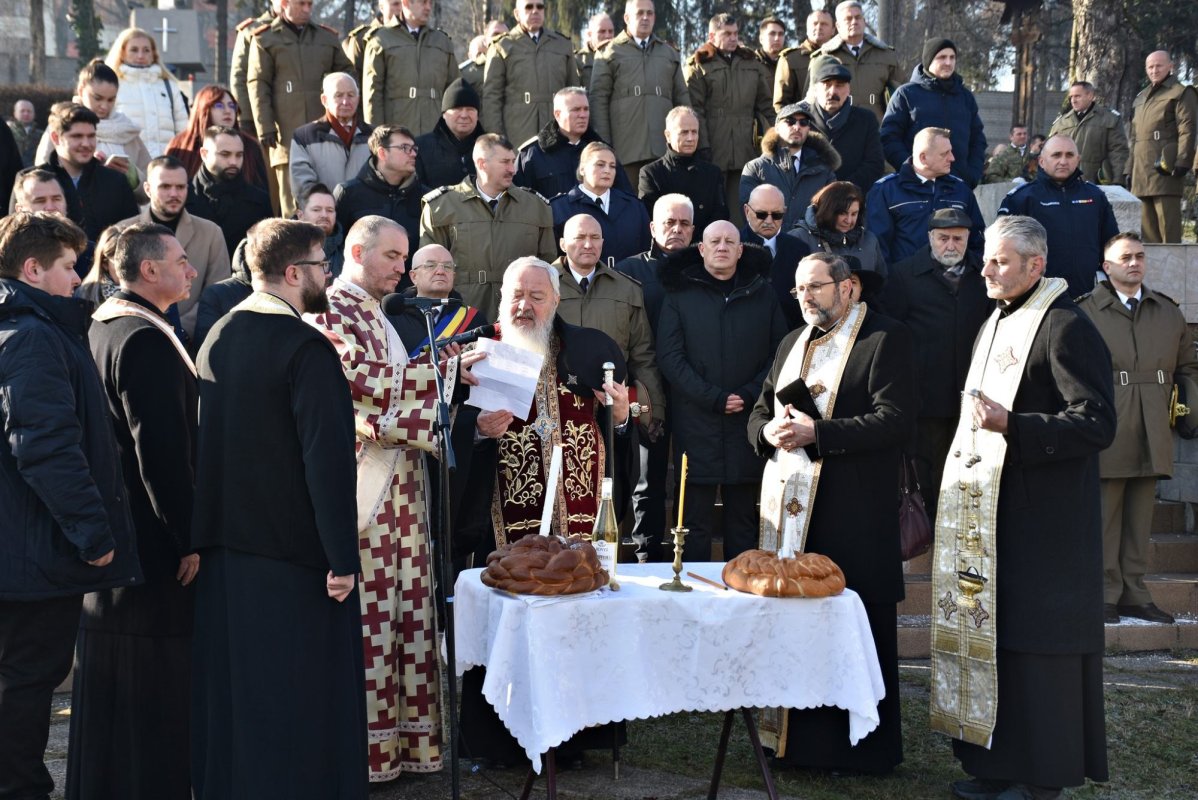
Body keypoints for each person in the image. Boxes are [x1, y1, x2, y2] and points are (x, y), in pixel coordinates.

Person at [932, 215, 1114, 800]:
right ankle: (999, 766)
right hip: (996, 516)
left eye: (1001, 261)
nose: (986, 270)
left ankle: (1042, 778)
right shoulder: (1001, 317)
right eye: (987, 258)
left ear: (1036, 266)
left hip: (1047, 525)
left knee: (1039, 651)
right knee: (1003, 644)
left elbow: (1095, 422)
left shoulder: (1064, 325)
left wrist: (1016, 425)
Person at [190, 218, 367, 799]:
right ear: (294, 273)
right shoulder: (305, 348)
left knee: (241, 700)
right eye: (321, 265)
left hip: (225, 554)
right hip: (296, 561)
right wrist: (343, 557)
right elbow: (328, 461)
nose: (328, 274)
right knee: (299, 705)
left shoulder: (217, 333)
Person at [459, 256, 630, 767]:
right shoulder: (474, 354)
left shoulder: (589, 350)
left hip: (573, 525)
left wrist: (621, 416)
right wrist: (474, 432)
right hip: (497, 520)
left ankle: (576, 741)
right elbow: (443, 433)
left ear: (556, 300)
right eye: (516, 294)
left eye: (536, 296)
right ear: (501, 295)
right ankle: (498, 742)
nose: (524, 306)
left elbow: (618, 430)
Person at [748, 251, 914, 774]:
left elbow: (895, 421)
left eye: (816, 287)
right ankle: (795, 748)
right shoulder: (789, 343)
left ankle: (862, 753)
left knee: (855, 635)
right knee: (797, 628)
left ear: (850, 288)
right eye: (799, 289)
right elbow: (760, 408)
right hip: (792, 522)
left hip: (856, 518)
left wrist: (818, 433)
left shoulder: (886, 339)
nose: (805, 297)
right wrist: (766, 433)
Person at [309, 215, 461, 781]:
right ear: (357, 250)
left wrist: (449, 369)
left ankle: (405, 750)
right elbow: (359, 384)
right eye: (394, 257)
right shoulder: (330, 305)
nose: (404, 269)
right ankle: (365, 757)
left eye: (406, 258)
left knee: (409, 619)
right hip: (363, 492)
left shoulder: (380, 311)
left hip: (404, 491)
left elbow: (393, 386)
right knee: (372, 625)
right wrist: (446, 372)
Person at [0, 212, 141, 800]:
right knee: (26, 681)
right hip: (36, 550)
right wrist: (94, 534)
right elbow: (45, 448)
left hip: (28, 545)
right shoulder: (30, 335)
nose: (78, 276)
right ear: (33, 269)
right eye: (67, 266)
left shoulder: (34, 326)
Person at [69, 222, 198, 800]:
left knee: (114, 688)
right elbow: (162, 456)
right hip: (149, 548)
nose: (191, 269)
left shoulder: (106, 326)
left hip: (117, 541)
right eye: (180, 260)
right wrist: (189, 537)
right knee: (150, 692)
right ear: (150, 271)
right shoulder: (142, 339)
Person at [1077, 232, 1195, 626]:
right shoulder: (1086, 311)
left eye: (1140, 256)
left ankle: (1135, 592)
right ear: (1106, 266)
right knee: (1105, 513)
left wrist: (1188, 413)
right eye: (1125, 257)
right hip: (1110, 419)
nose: (1134, 263)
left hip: (1154, 422)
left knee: (1141, 513)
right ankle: (1104, 593)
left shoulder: (1167, 311)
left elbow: (1187, 367)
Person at [657, 220, 787, 561]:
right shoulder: (679, 295)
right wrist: (713, 397)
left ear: (741, 250)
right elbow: (670, 358)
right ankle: (694, 594)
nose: (722, 247)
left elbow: (780, 354)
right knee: (693, 519)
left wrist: (748, 394)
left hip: (748, 420)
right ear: (701, 249)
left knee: (743, 519)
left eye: (730, 241)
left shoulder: (763, 292)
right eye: (714, 241)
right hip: (696, 421)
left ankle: (741, 591)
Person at [384, 244, 494, 575]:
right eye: (431, 265)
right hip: (407, 435)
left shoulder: (473, 319)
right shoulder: (390, 316)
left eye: (447, 265)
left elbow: (483, 381)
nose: (441, 270)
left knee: (455, 523)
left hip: (459, 433)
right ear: (413, 274)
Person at [879, 208, 991, 520]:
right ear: (930, 238)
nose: (951, 245)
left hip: (975, 396)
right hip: (925, 396)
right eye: (943, 238)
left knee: (970, 471)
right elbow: (891, 336)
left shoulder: (984, 275)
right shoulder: (903, 275)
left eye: (958, 238)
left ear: (969, 238)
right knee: (927, 473)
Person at [616, 194, 695, 556]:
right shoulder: (630, 271)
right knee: (647, 476)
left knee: (692, 474)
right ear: (652, 227)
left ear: (693, 229)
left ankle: (687, 552)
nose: (676, 230)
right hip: (648, 387)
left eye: (683, 224)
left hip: (694, 388)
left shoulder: (704, 267)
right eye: (669, 222)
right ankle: (645, 552)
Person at [419, 133, 556, 321]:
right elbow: (428, 269)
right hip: (460, 318)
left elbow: (548, 266)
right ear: (482, 164)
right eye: (505, 162)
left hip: (520, 315)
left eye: (513, 161)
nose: (513, 169)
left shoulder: (535, 206)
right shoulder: (442, 206)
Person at [248, 0, 352, 216]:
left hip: (325, 136)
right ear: (284, 4)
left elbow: (347, 75)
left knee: (331, 200)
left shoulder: (326, 38)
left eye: (309, 4)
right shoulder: (265, 39)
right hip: (284, 136)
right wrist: (265, 126)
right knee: (292, 205)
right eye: (301, 4)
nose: (307, 10)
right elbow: (259, 84)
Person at [118, 156, 232, 340]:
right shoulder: (122, 232)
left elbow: (217, 293)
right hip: (138, 333)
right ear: (147, 189)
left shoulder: (211, 233)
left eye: (180, 187)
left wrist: (180, 328)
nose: (174, 194)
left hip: (195, 338)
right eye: (165, 187)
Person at [998, 134, 1118, 299]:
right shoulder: (1021, 198)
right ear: (1041, 161)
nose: (1063, 161)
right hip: (1037, 297)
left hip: (1088, 295)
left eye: (1069, 155)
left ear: (1078, 160)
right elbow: (1003, 250)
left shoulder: (1095, 196)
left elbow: (1112, 244)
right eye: (1056, 155)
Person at [685, 13, 774, 226]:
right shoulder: (699, 65)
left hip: (746, 146)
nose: (733, 38)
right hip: (713, 146)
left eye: (735, 33)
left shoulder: (751, 63)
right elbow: (694, 110)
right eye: (727, 34)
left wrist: (774, 139)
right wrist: (702, 145)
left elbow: (765, 106)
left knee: (743, 205)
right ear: (712, 35)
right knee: (711, 205)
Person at [590, 0, 691, 185]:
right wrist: (604, 144)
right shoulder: (609, 53)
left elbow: (682, 99)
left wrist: (686, 138)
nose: (645, 18)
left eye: (650, 13)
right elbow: (598, 101)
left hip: (664, 150)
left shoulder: (669, 54)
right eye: (639, 13)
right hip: (625, 150)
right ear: (627, 18)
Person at [33, 60, 151, 199]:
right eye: (97, 98)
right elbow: (41, 174)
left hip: (121, 213)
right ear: (81, 90)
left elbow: (150, 187)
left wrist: (131, 175)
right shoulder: (61, 123)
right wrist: (90, 168)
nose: (104, 106)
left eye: (111, 100)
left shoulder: (127, 130)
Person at [866, 126, 984, 264]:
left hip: (953, 281)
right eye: (944, 154)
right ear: (923, 158)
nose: (952, 158)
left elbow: (977, 240)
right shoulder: (885, 191)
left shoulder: (961, 190)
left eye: (951, 152)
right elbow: (877, 247)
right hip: (905, 282)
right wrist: (892, 282)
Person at [880, 38, 988, 188]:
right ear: (928, 60)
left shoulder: (965, 97)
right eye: (942, 57)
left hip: (958, 186)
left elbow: (978, 140)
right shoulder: (906, 94)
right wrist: (911, 169)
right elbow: (889, 138)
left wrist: (972, 174)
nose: (948, 63)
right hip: (916, 186)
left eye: (952, 57)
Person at [481, 0, 578, 147]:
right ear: (517, 14)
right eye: (528, 7)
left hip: (557, 129)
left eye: (540, 7)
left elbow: (574, 92)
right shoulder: (502, 46)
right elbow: (491, 97)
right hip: (517, 131)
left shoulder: (561, 44)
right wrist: (497, 138)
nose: (535, 11)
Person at [39, 103, 139, 242]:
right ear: (56, 138)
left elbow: (133, 237)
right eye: (77, 136)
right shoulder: (33, 183)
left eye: (91, 136)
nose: (86, 144)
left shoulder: (115, 182)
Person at [514, 86, 633, 200]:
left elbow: (625, 198)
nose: (583, 115)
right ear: (558, 114)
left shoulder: (603, 152)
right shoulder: (532, 154)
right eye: (576, 110)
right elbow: (518, 200)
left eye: (586, 109)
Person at [362, 0, 459, 135]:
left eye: (430, 3)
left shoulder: (442, 42)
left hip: (436, 132)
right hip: (396, 132)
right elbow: (373, 95)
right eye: (423, 2)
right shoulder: (380, 40)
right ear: (406, 3)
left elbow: (455, 90)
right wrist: (377, 135)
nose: (428, 7)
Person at [1128, 50, 1196, 243]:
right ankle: (1153, 272)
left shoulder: (1181, 92)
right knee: (1147, 233)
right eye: (1150, 66)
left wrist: (1183, 160)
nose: (1154, 70)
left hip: (1166, 167)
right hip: (1141, 169)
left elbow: (1188, 129)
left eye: (1159, 65)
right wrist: (1129, 168)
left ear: (1170, 66)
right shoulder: (1141, 97)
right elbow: (1134, 137)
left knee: (1169, 231)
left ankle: (1172, 273)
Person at [739, 101, 839, 232]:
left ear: (808, 129)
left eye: (803, 123)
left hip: (810, 245)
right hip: (768, 245)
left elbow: (830, 213)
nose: (797, 127)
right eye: (790, 121)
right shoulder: (755, 168)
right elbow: (749, 214)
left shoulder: (824, 170)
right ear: (777, 128)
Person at [550, 142, 649, 263]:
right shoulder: (559, 207)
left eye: (612, 166)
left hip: (628, 280)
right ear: (582, 169)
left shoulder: (634, 206)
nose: (607, 170)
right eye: (600, 165)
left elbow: (646, 252)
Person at [186, 126, 274, 258]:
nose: (233, 162)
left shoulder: (258, 201)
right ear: (204, 154)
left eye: (239, 155)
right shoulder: (184, 197)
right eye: (225, 154)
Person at [638, 105, 728, 234]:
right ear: (668, 135)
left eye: (694, 132)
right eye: (684, 132)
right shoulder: (651, 173)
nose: (690, 138)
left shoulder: (713, 173)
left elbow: (721, 215)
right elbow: (649, 217)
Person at [104, 28, 189, 157]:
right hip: (128, 165)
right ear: (122, 53)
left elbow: (184, 130)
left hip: (165, 166)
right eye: (134, 50)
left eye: (146, 50)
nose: (140, 55)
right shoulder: (112, 85)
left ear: (153, 54)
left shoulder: (170, 87)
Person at [334, 124, 425, 245]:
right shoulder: (348, 193)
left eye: (414, 148)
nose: (413, 154)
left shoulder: (424, 197)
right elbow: (335, 246)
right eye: (405, 148)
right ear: (382, 153)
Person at [810, 2, 901, 122]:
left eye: (858, 17)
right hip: (836, 128)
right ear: (838, 25)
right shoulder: (824, 56)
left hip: (877, 127)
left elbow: (901, 93)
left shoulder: (885, 54)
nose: (854, 22)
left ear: (864, 21)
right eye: (848, 19)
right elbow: (812, 98)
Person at [166, 84, 269, 189]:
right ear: (203, 109)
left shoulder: (250, 145)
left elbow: (261, 192)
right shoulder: (180, 145)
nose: (228, 111)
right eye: (219, 106)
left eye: (232, 105)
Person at [290, 72, 374, 202]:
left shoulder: (373, 135)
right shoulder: (305, 137)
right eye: (338, 96)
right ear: (325, 100)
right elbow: (303, 186)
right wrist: (327, 208)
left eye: (351, 95)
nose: (345, 102)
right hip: (324, 215)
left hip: (365, 214)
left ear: (358, 99)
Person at [806, 59, 884, 192]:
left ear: (848, 89)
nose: (832, 92)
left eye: (839, 85)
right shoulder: (801, 121)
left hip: (852, 198)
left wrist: (843, 189)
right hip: (809, 197)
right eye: (827, 85)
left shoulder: (866, 120)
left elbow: (874, 164)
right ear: (815, 89)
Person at [740, 184, 809, 329]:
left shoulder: (799, 249)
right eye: (761, 214)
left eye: (777, 215)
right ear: (747, 211)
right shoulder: (732, 247)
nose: (769, 221)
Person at [789, 180, 886, 280]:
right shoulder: (798, 238)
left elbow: (881, 284)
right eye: (842, 213)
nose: (848, 221)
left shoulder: (869, 241)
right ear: (826, 210)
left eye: (854, 214)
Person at [1047, 82, 1129, 186]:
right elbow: (1050, 153)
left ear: (1090, 96)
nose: (1073, 101)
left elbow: (1118, 152)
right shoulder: (1061, 122)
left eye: (1077, 96)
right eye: (1071, 97)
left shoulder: (1109, 119)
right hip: (1065, 183)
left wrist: (1118, 180)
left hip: (1097, 182)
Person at [415, 78, 485, 190]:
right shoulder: (421, 148)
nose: (464, 115)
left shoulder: (492, 148)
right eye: (457, 109)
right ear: (444, 114)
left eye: (470, 109)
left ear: (477, 114)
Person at [231, 1, 279, 137]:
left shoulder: (307, 32)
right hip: (259, 118)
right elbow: (239, 76)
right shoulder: (251, 30)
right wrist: (245, 117)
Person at [773, 8, 835, 113]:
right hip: (803, 124)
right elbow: (781, 103)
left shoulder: (840, 56)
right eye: (815, 24)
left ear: (833, 29)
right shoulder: (790, 58)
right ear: (807, 29)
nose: (819, 27)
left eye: (824, 24)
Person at [343, 0, 402, 83]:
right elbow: (353, 82)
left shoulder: (418, 36)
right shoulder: (362, 38)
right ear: (382, 7)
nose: (401, 8)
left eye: (405, 4)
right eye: (396, 4)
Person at [297, 182, 346, 276]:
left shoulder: (347, 253)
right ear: (300, 215)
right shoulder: (285, 251)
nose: (324, 215)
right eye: (316, 209)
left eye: (330, 210)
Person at [76, 225, 123, 305]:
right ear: (104, 264)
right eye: (120, 263)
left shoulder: (146, 288)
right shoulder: (86, 294)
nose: (129, 267)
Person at [458, 20, 508, 88]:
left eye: (506, 35)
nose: (501, 38)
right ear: (486, 39)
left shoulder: (519, 66)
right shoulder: (467, 74)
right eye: (496, 34)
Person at [576, 13, 615, 88]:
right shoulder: (578, 60)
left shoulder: (621, 56)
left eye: (611, 31)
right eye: (602, 31)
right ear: (590, 34)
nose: (607, 36)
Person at [9, 99, 42, 166]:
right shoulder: (7, 133)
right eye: (22, 111)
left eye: (29, 111)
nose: (26, 114)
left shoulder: (42, 135)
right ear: (15, 113)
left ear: (34, 114)